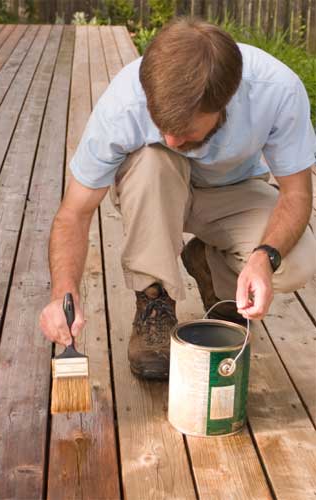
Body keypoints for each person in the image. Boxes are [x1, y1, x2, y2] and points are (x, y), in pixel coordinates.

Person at [39, 17, 316, 380]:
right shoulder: (123, 103)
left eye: (185, 131)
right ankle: (153, 299)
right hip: (155, 191)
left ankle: (215, 276)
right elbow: (73, 213)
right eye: (161, 124)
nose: (171, 138)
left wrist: (264, 257)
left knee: (297, 261)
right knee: (155, 157)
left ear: (226, 103)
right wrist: (63, 294)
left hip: (233, 191)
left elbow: (297, 194)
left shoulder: (277, 91)